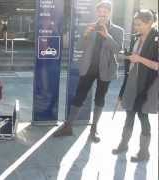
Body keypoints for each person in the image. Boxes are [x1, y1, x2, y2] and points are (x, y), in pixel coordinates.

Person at [53, 1, 124, 143]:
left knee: (100, 98)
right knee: (79, 96)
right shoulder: (90, 27)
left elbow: (118, 50)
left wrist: (107, 36)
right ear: (97, 12)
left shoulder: (117, 30)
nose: (102, 14)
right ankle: (68, 126)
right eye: (100, 11)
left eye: (105, 12)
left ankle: (94, 128)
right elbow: (79, 47)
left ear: (109, 13)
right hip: (88, 68)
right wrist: (85, 35)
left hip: (106, 69)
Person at [112, 9, 158, 162]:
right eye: (135, 24)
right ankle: (123, 145)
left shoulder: (157, 39)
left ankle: (144, 153)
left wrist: (138, 58)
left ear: (150, 23)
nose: (135, 27)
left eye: (139, 24)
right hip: (132, 81)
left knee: (142, 116)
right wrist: (127, 55)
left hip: (148, 85)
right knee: (129, 114)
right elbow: (132, 60)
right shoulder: (135, 38)